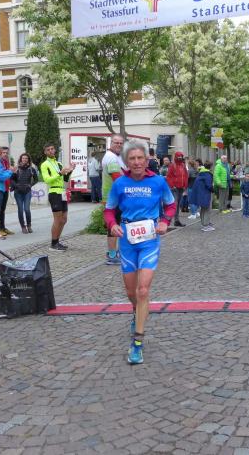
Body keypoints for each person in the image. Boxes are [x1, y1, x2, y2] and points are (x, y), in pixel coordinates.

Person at [103, 139, 176, 365]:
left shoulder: (158, 182)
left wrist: (164, 221)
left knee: (143, 290)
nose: (136, 162)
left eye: (140, 158)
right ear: (126, 161)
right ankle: (137, 312)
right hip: (127, 240)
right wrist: (112, 225)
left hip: (149, 240)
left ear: (146, 160)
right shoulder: (120, 184)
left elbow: (171, 205)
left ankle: (137, 343)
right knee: (131, 291)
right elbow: (109, 210)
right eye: (132, 158)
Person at [40, 143, 73, 250]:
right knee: (57, 219)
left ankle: (57, 241)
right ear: (45, 152)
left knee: (64, 219)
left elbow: (65, 179)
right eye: (48, 149)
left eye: (52, 149)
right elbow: (47, 180)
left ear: (55, 150)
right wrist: (60, 173)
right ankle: (54, 244)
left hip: (62, 192)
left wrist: (70, 170)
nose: (51, 151)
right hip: (54, 192)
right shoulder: (45, 164)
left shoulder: (58, 163)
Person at [102, 134, 126, 265]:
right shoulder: (111, 157)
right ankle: (112, 255)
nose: (119, 145)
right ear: (111, 143)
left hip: (116, 196)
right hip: (112, 197)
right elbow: (117, 178)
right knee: (114, 225)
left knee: (118, 224)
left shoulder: (117, 157)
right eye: (116, 142)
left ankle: (115, 252)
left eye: (121, 143)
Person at [12, 153, 38, 234]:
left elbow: (36, 179)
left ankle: (29, 226)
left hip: (27, 192)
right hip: (18, 192)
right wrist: (16, 186)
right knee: (20, 210)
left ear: (28, 160)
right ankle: (23, 226)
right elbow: (11, 179)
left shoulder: (31, 169)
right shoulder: (16, 168)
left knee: (27, 209)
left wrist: (30, 185)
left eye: (26, 158)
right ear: (21, 159)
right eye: (23, 158)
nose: (25, 159)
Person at [165, 151, 188, 227]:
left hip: (181, 187)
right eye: (179, 157)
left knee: (177, 205)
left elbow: (185, 176)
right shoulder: (172, 166)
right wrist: (172, 186)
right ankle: (168, 219)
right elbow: (169, 176)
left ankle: (176, 220)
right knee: (174, 204)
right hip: (175, 188)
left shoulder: (183, 165)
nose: (180, 158)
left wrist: (185, 185)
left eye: (181, 157)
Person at [192, 160, 214, 231]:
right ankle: (206, 225)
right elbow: (209, 185)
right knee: (207, 209)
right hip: (205, 193)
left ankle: (203, 223)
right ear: (210, 167)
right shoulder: (207, 174)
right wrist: (213, 189)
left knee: (203, 209)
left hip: (200, 193)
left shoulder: (201, 173)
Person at [0, 146, 14, 236]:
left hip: (6, 188)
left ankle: (3, 227)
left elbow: (8, 175)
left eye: (7, 153)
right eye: (3, 152)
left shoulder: (6, 162)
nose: (5, 154)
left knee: (3, 209)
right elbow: (1, 175)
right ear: (0, 153)